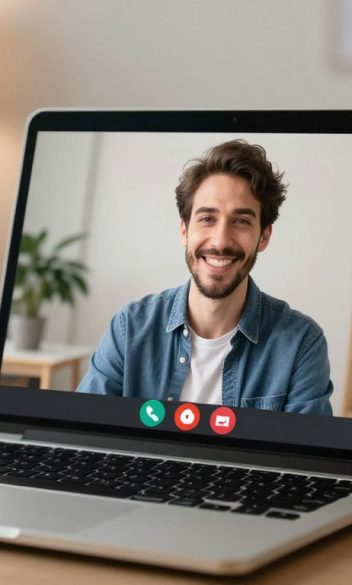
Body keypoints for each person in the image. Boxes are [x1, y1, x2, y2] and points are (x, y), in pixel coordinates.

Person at [76, 139, 333, 415]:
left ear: (264, 237)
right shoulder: (130, 328)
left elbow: (304, 445)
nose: (220, 241)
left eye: (241, 221)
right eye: (207, 219)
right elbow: (83, 426)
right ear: (184, 230)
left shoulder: (301, 344)